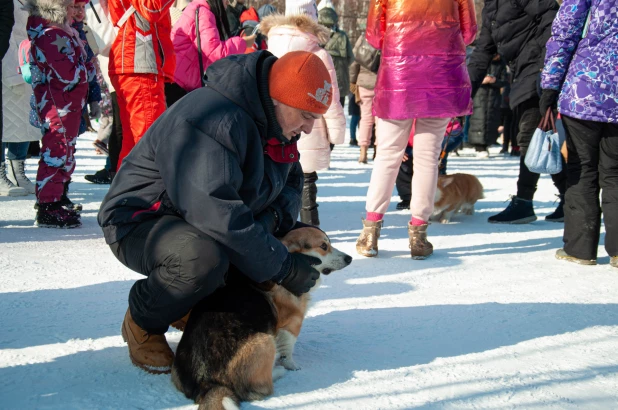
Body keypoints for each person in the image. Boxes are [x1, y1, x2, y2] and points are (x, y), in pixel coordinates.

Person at [98, 50, 330, 374]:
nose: (308, 128)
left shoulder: (274, 123)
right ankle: (144, 318)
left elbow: (291, 185)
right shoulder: (213, 119)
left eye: (314, 119)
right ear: (278, 98)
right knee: (202, 260)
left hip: (198, 218)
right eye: (306, 115)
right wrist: (283, 266)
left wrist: (272, 222)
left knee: (298, 238)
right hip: (142, 220)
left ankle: (193, 304)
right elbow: (216, 213)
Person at [356, 0, 477, 259]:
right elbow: (469, 34)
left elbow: (375, 36)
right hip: (441, 77)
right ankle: (419, 237)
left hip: (399, 75)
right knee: (427, 160)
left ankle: (370, 235)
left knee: (387, 156)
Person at [468, 0, 567, 224]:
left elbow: (552, 19)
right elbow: (483, 51)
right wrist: (464, 95)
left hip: (539, 70)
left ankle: (525, 202)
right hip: (522, 73)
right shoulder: (491, 8)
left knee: (530, 138)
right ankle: (571, 198)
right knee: (538, 139)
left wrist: (547, 67)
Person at [540, 0, 617, 268]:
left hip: (585, 89)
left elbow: (564, 32)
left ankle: (580, 249)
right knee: (616, 172)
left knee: (582, 169)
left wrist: (550, 86)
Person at [261, 0, 346, 227]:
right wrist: (336, 133)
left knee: (277, 177)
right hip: (309, 126)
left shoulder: (270, 44)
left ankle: (280, 227)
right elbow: (330, 97)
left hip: (275, 123)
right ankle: (311, 228)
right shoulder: (317, 51)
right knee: (306, 180)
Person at [25, 0, 92, 228]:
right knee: (56, 151)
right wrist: (82, 69)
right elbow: (67, 72)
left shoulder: (64, 31)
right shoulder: (51, 35)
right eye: (70, 6)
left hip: (68, 103)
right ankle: (47, 206)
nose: (75, 11)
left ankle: (59, 194)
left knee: (66, 150)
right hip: (58, 103)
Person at [108, 0, 176, 169]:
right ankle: (147, 195)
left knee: (134, 144)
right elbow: (151, 8)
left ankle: (126, 193)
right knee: (149, 141)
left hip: (134, 60)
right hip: (139, 62)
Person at [168, 0, 252, 106]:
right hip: (180, 84)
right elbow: (214, 52)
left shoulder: (197, 8)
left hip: (177, 78)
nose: (228, 2)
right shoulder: (204, 13)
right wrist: (244, 43)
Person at [1, 0, 38, 197]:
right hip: (7, 55)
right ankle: (1, 174)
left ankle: (19, 172)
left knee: (25, 118)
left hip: (28, 57)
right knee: (5, 119)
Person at [467, 55, 506, 158]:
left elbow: (504, 81)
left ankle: (487, 143)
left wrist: (494, 81)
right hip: (479, 95)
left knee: (491, 121)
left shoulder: (501, 64)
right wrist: (482, 80)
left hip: (493, 97)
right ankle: (478, 146)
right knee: (478, 120)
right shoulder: (480, 60)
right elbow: (471, 76)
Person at [349, 32, 378, 163]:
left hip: (364, 83)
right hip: (383, 84)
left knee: (366, 119)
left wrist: (353, 81)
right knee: (381, 121)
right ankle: (378, 151)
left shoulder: (364, 37)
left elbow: (354, 62)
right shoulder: (389, 36)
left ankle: (363, 152)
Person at [317, 6, 353, 108]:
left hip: (320, 82)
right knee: (338, 113)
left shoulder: (315, 34)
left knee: (319, 114)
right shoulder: (342, 36)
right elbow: (350, 58)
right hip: (340, 81)